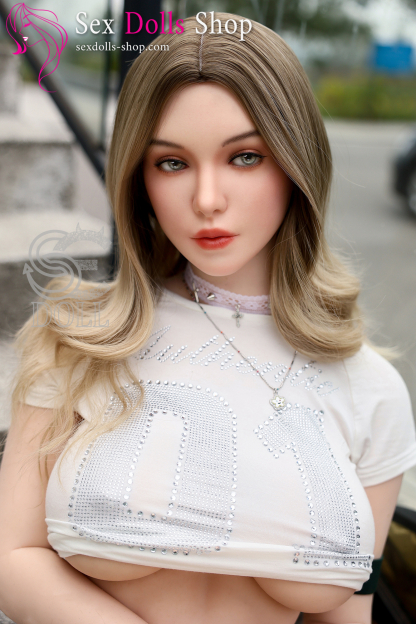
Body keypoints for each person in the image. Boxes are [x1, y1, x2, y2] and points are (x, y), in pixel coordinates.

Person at [1, 12, 415, 624]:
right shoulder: (79, 340)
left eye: (245, 157)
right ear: (138, 179)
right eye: (172, 163)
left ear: (296, 162)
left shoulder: (371, 389)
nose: (207, 199)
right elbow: (14, 560)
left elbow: (347, 613)